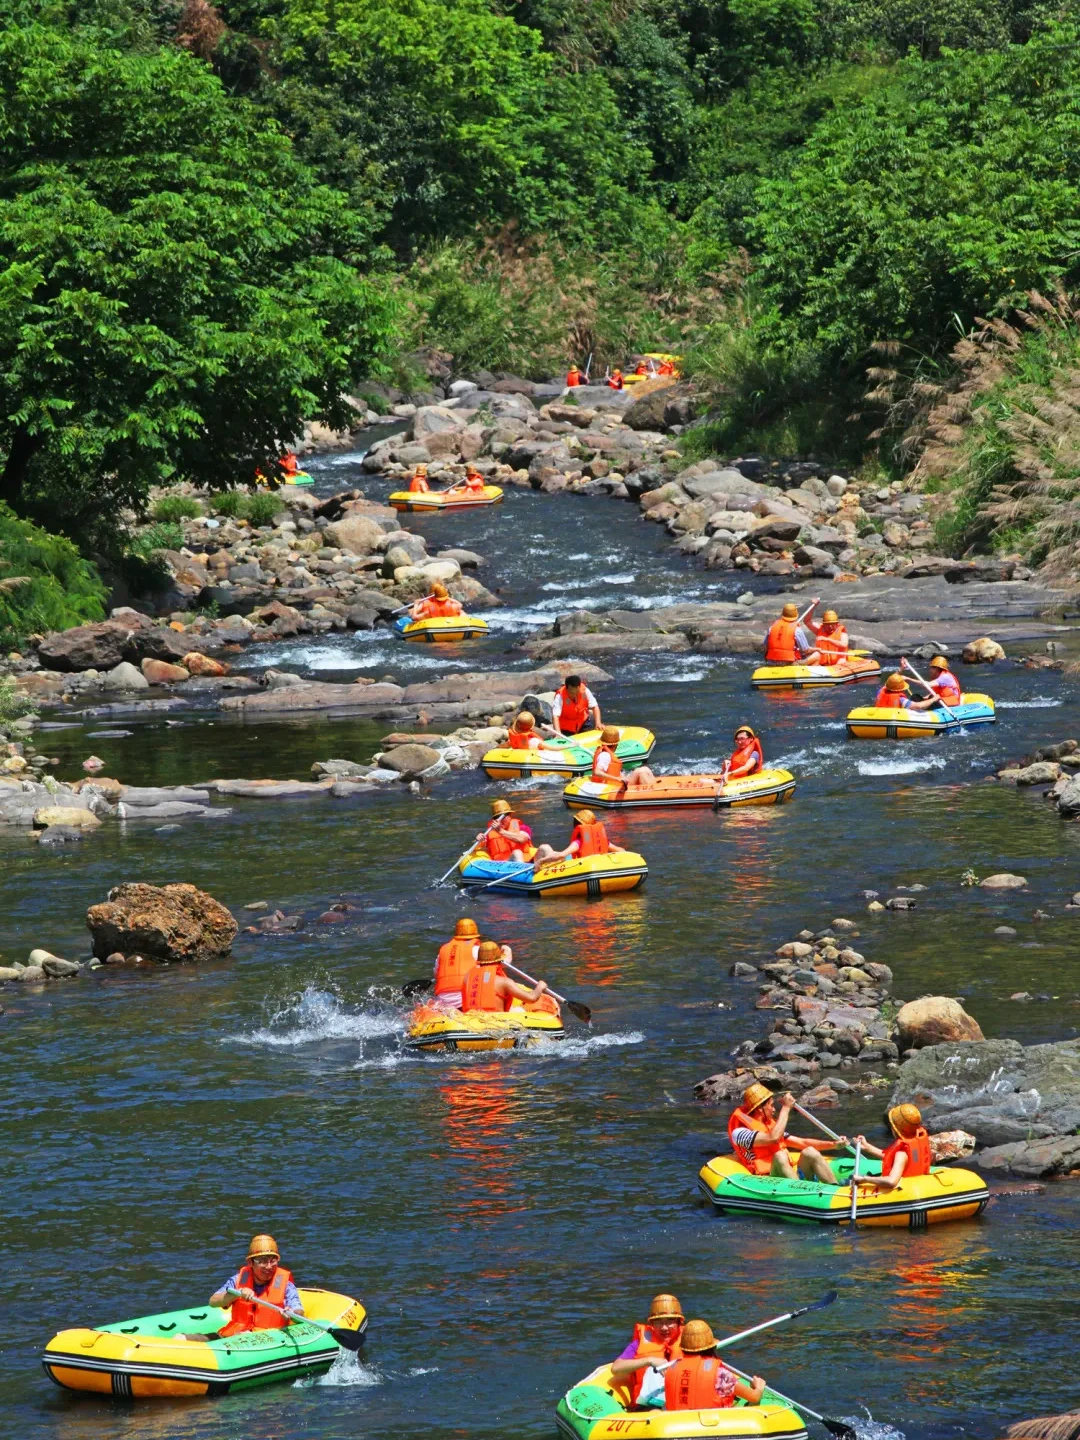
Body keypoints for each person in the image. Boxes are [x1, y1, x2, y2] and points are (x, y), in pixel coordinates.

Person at [728, 1083, 846, 1184]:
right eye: (771, 1105)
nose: (774, 1109)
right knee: (780, 1156)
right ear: (760, 1108)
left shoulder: (770, 1126)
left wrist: (833, 1144)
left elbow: (802, 1142)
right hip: (768, 1179)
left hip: (789, 1177)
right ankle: (801, 1193)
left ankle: (836, 1188)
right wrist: (786, 1108)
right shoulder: (740, 1133)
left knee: (810, 1151)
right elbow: (772, 1138)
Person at [205, 1236, 303, 1338]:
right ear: (250, 1263)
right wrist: (237, 1293)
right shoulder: (238, 1279)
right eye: (263, 1261)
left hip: (268, 1338)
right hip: (235, 1336)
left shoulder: (286, 1284)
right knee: (198, 1338)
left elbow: (299, 1312)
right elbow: (213, 1301)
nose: (269, 1266)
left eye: (273, 1261)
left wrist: (292, 1314)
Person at [664, 1322, 765, 1411]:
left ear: (683, 1349)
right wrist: (759, 1387)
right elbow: (754, 1397)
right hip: (710, 1424)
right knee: (752, 1402)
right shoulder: (721, 1374)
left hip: (679, 1424)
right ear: (712, 1348)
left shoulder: (671, 1369)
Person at [611, 1293, 684, 1406]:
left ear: (679, 1323)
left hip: (682, 1403)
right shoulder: (640, 1343)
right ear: (651, 1324)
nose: (664, 1327)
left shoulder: (690, 1339)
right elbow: (616, 1368)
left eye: (670, 1321)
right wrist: (649, 1360)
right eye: (658, 1322)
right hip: (648, 1407)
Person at [853, 1104, 932, 1192]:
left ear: (895, 1129)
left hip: (902, 1191)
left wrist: (865, 1179)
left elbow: (891, 1181)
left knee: (847, 1180)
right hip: (916, 1184)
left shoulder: (901, 1154)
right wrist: (868, 1147)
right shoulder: (917, 1139)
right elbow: (894, 1159)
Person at [460, 939, 552, 1013]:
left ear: (479, 962)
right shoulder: (504, 982)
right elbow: (532, 998)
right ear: (499, 961)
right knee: (519, 1010)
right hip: (497, 1023)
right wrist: (540, 986)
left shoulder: (467, 978)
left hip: (471, 1021)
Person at [533, 808, 624, 866]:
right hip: (595, 865)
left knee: (544, 848)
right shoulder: (602, 841)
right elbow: (621, 850)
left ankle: (534, 868)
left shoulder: (578, 842)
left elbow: (562, 855)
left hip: (577, 866)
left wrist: (541, 861)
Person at [433, 917, 482, 1009]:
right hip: (466, 1000)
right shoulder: (478, 950)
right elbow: (492, 971)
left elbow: (436, 974)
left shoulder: (443, 950)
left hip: (443, 1000)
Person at [592, 724, 656, 791]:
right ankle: (653, 792)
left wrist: (622, 777)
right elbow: (597, 772)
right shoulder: (605, 755)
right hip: (611, 787)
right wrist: (617, 779)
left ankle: (656, 788)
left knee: (645, 769)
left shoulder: (605, 753)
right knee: (640, 772)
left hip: (614, 784)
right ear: (615, 745)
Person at [477, 799, 533, 863]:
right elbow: (482, 849)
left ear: (510, 816)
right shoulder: (490, 832)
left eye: (502, 817)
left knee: (542, 848)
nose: (499, 820)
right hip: (503, 864)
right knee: (516, 853)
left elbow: (522, 839)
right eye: (496, 817)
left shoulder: (522, 827)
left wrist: (500, 831)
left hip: (526, 863)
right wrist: (479, 841)